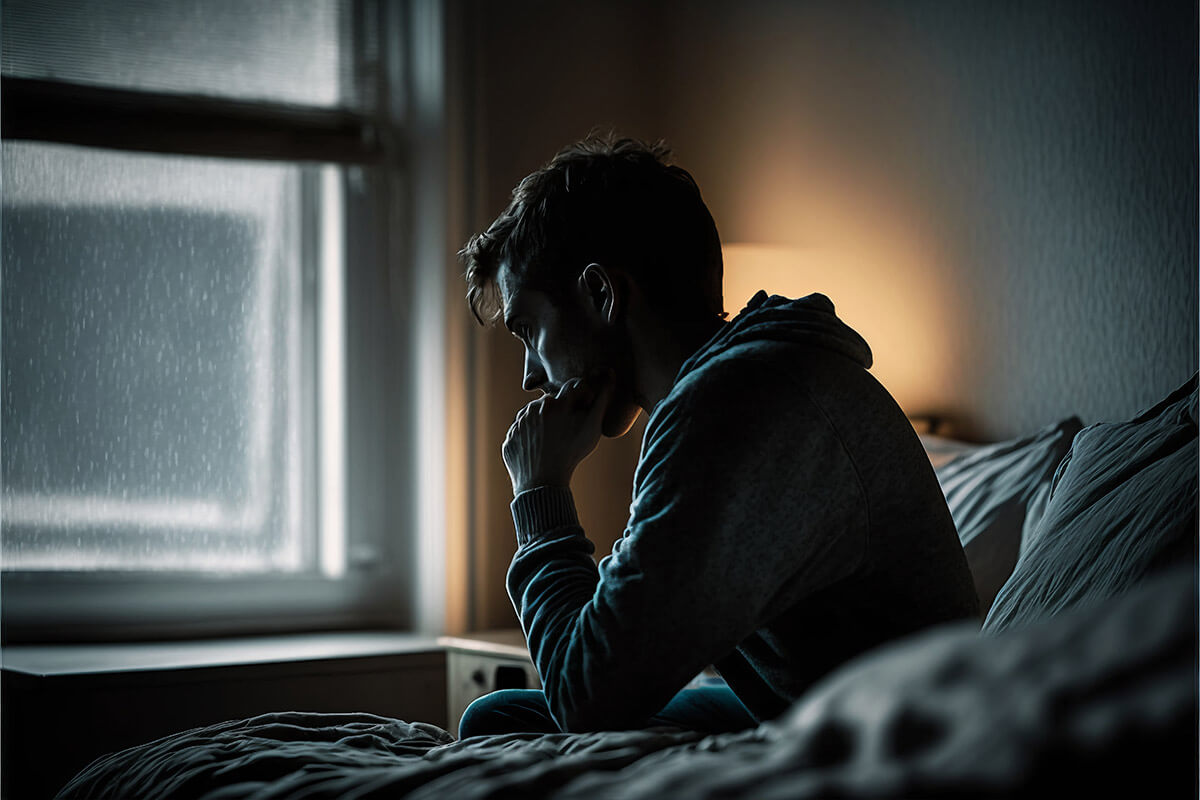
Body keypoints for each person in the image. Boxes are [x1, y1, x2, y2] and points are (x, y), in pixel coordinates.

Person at [456, 134, 980, 738]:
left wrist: (539, 494)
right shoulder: (740, 382)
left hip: (896, 739)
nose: (530, 376)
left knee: (508, 726)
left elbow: (587, 697)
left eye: (528, 329)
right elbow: (625, 627)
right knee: (502, 714)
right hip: (814, 709)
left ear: (602, 294)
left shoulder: (734, 405)